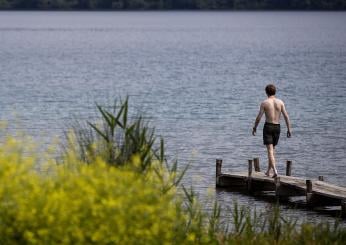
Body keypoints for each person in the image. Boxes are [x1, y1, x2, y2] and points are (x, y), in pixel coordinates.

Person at [252, 84, 291, 178]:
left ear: (266, 92)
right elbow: (286, 116)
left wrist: (254, 127)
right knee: (273, 150)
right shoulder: (280, 102)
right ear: (275, 92)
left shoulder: (265, 103)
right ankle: (268, 171)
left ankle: (275, 170)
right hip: (277, 127)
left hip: (268, 126)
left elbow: (259, 117)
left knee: (270, 151)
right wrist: (289, 129)